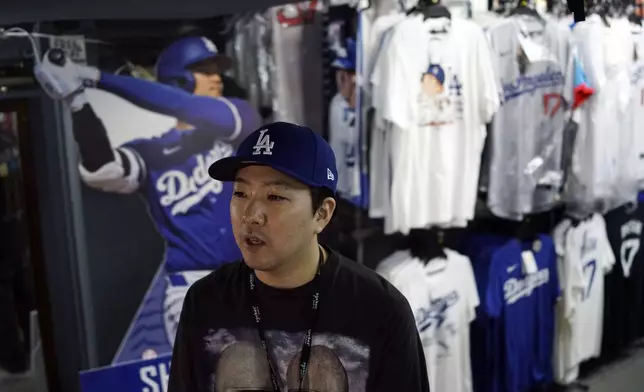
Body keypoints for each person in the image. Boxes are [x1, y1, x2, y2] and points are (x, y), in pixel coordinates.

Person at [33, 36, 262, 360]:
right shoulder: (153, 151)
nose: (217, 77)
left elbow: (187, 107)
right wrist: (78, 102)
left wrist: (95, 76)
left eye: (216, 69)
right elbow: (104, 169)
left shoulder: (238, 122)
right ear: (180, 80)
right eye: (205, 69)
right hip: (192, 288)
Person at [168, 121, 430, 391]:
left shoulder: (380, 310)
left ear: (322, 214)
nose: (250, 215)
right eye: (240, 193)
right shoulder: (206, 301)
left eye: (275, 196)